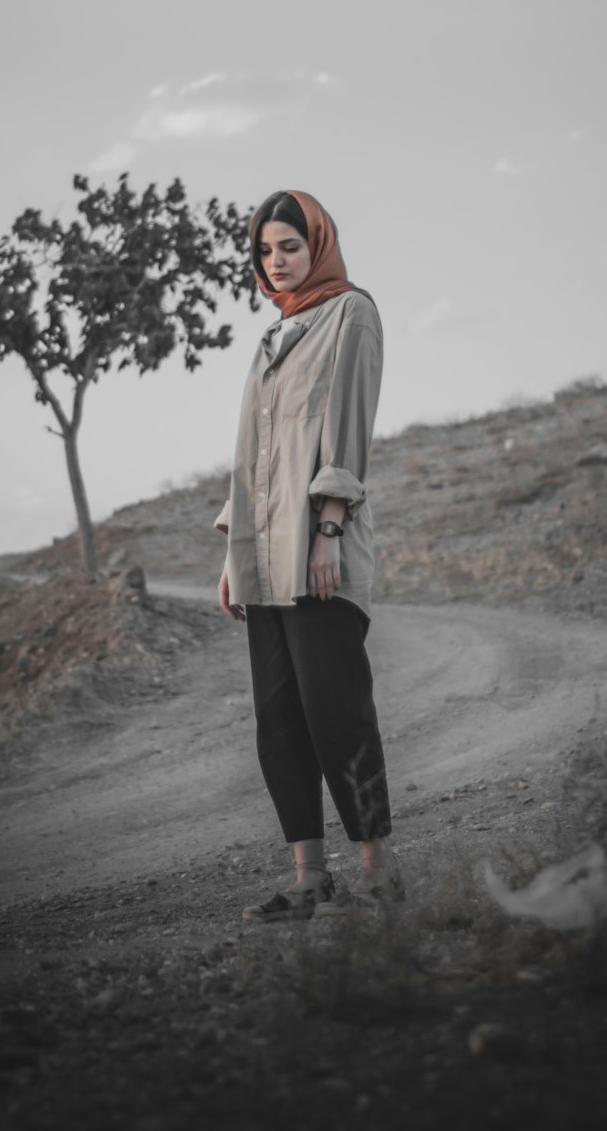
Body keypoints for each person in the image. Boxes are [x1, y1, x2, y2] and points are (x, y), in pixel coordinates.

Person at [215, 189, 402, 921]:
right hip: (263, 559)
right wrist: (233, 554)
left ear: (316, 243)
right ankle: (309, 879)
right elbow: (249, 458)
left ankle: (378, 869)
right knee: (279, 721)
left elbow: (349, 426)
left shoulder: (351, 312)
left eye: (289, 246)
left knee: (337, 713)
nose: (277, 261)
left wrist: (328, 528)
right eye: (264, 251)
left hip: (319, 550)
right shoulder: (272, 338)